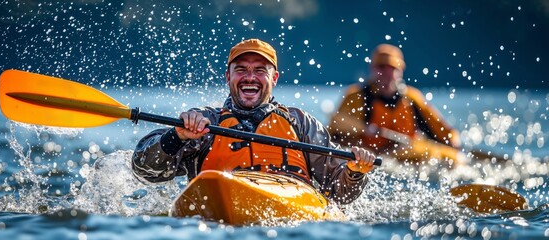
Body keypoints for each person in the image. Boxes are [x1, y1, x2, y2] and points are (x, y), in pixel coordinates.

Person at [131, 39, 377, 204]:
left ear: (275, 78)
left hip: (291, 216)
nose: (250, 77)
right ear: (228, 76)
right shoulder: (205, 121)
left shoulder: (301, 123)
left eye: (260, 70)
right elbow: (144, 170)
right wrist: (176, 136)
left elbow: (340, 194)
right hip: (217, 218)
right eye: (241, 69)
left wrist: (355, 172)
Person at [328, 43, 461, 164]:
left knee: (452, 159)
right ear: (372, 69)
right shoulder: (356, 96)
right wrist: (364, 130)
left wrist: (453, 143)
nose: (386, 73)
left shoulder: (412, 98)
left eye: (391, 68)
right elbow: (333, 134)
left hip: (406, 157)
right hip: (370, 158)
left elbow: (444, 133)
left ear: (400, 71)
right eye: (381, 67)